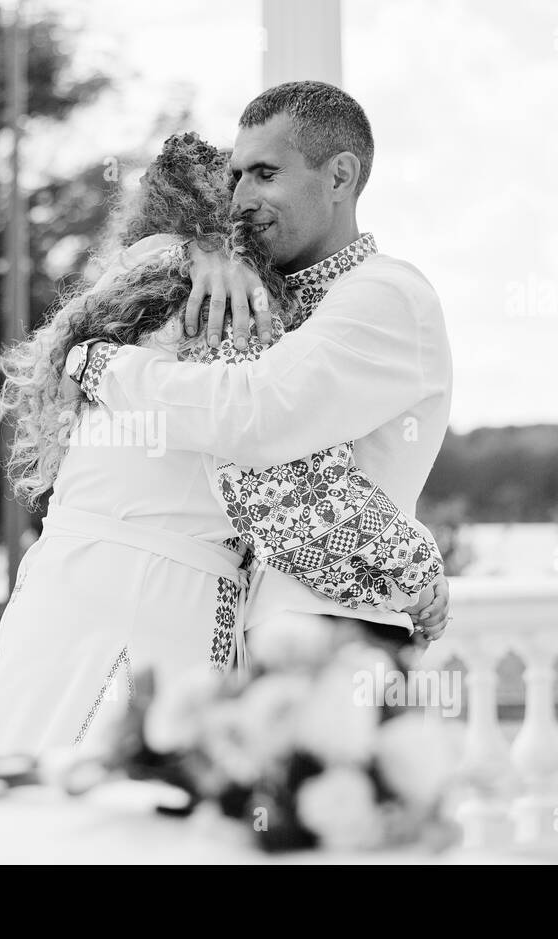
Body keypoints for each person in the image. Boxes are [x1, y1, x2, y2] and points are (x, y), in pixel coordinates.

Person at [0, 131, 447, 754]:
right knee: (119, 790)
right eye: (246, 185)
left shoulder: (123, 297)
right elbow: (284, 495)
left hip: (62, 580)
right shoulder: (225, 302)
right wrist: (416, 571)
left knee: (18, 769)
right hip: (158, 597)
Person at [66, 81, 455, 666]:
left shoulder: (387, 294)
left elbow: (253, 435)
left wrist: (100, 364)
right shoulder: (253, 293)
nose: (241, 198)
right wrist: (205, 250)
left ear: (340, 177)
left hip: (340, 634)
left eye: (266, 174)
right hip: (264, 634)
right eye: (236, 176)